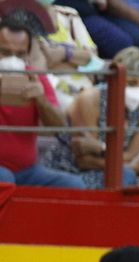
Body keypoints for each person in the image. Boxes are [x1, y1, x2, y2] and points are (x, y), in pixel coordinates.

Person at [41, 44, 139, 189]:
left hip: (111, 172)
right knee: (128, 176)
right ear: (114, 78)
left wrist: (104, 151)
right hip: (68, 170)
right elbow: (85, 159)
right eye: (131, 83)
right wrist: (124, 164)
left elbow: (133, 158)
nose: (137, 90)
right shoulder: (90, 100)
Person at [0, 11, 82, 188]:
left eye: (20, 54)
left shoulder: (36, 77)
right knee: (5, 180)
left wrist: (41, 99)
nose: (13, 60)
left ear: (28, 55)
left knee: (75, 186)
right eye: (5, 53)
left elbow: (59, 127)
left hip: (27, 170)